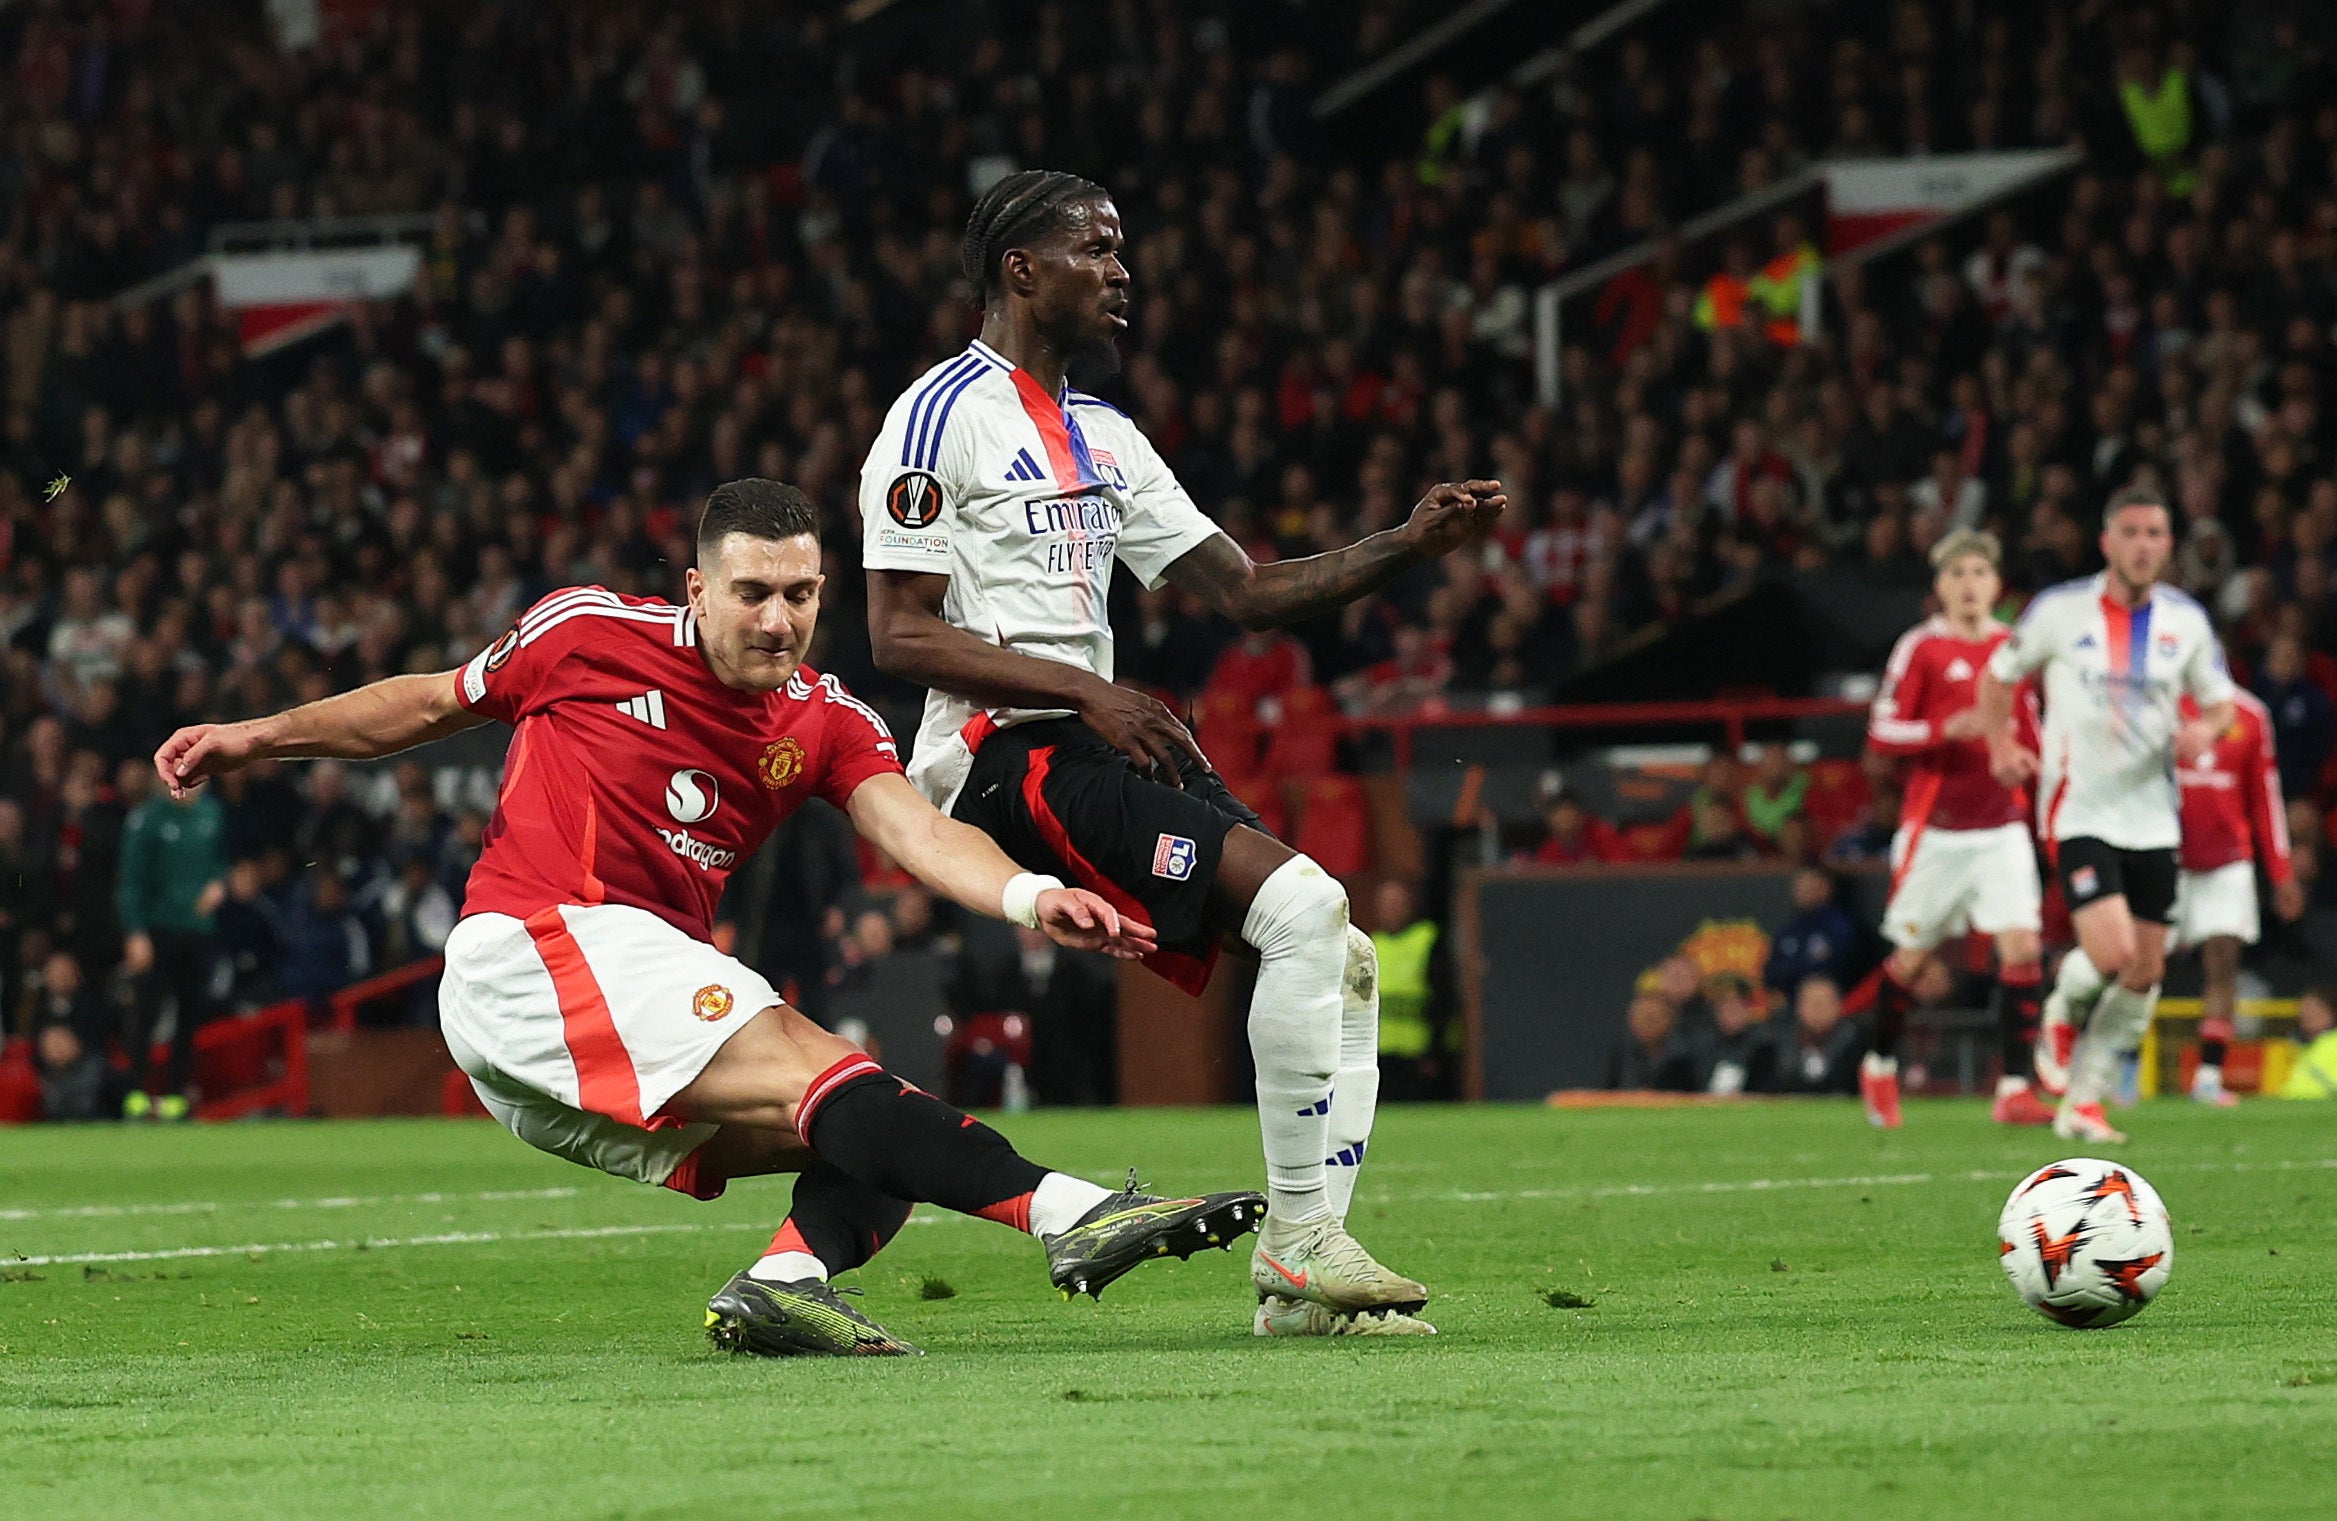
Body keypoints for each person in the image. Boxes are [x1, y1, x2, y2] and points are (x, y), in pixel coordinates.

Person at [152, 479, 1264, 1359]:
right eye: (753, 594)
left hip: (592, 1016)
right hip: (541, 945)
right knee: (826, 1070)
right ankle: (1075, 1215)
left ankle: (783, 1283)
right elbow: (429, 701)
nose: (780, 620)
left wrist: (1032, 894)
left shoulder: (827, 719)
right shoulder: (584, 632)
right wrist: (260, 735)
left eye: (802, 594)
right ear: (695, 586)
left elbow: (919, 834)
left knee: (882, 1128)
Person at [862, 170, 1501, 1337]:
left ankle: (1302, 1288)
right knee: (1306, 913)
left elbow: (1248, 591)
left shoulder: (1104, 432)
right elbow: (897, 633)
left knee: (1339, 948)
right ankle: (1301, 1246)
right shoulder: (937, 417)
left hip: (1096, 730)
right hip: (1005, 757)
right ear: (1021, 269)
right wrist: (1086, 689)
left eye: (1122, 251)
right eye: (1096, 250)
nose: (1121, 272)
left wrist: (1407, 543)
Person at [1973, 485, 2237, 1144]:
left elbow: (2221, 704)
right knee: (2114, 951)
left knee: (2146, 970)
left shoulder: (2187, 622)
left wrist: (2205, 732)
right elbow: (1998, 676)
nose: (2142, 544)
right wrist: (2001, 742)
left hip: (2153, 817)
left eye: (2154, 533)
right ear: (2106, 542)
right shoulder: (2059, 611)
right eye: (2130, 532)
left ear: (2167, 544)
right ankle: (2062, 1006)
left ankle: (2084, 1103)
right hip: (2080, 808)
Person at [1864, 530, 2053, 1129]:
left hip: (2000, 826)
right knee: (1911, 960)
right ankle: (1880, 1065)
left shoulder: (2013, 649)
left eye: (1979, 573)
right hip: (1937, 831)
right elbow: (1881, 732)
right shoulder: (1919, 649)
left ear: (1997, 585)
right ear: (1939, 586)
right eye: (1957, 574)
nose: (1969, 585)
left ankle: (2015, 1087)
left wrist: (2032, 761)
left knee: (2022, 949)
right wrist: (1942, 729)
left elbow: (2031, 726)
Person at [2161, 689, 2302, 1104]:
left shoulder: (2251, 715)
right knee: (2142, 963)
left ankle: (2208, 1074)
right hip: (2165, 854)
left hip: (2228, 861)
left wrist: (2282, 873)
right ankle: (2122, 1063)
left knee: (2222, 963)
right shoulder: (2161, 703)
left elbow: (2265, 797)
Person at [114, 767, 227, 1120]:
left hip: (197, 929)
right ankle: (135, 1093)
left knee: (189, 1015)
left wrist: (218, 884)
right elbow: (131, 881)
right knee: (146, 1014)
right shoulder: (146, 819)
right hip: (158, 928)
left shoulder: (212, 814)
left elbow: (220, 862)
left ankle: (176, 1096)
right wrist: (135, 931)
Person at [1368, 879, 1442, 1101]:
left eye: (1397, 905)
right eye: (1386, 905)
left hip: (1416, 1052)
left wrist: (1434, 1051)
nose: (1391, 911)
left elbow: (1442, 1000)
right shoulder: (1371, 944)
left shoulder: (1426, 939)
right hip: (1378, 1054)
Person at [2276, 986, 2337, 1099]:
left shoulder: (2332, 1042)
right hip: (2293, 1104)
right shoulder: (2302, 1046)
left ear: (2331, 1012)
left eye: (2315, 1008)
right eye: (2304, 1009)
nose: (2307, 1013)